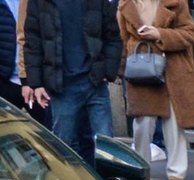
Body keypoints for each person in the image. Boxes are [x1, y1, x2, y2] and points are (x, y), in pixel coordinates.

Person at [21, 0, 123, 160]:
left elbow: (113, 36)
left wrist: (107, 71)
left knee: (106, 145)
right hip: (62, 86)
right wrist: (36, 83)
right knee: (64, 147)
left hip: (94, 81)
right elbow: (33, 43)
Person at [119, 0, 194, 180]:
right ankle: (140, 168)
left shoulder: (174, 2)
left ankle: (177, 171)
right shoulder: (126, 5)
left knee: (174, 120)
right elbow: (122, 41)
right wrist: (121, 70)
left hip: (173, 69)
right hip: (141, 69)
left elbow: (190, 34)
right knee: (143, 122)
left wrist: (160, 34)